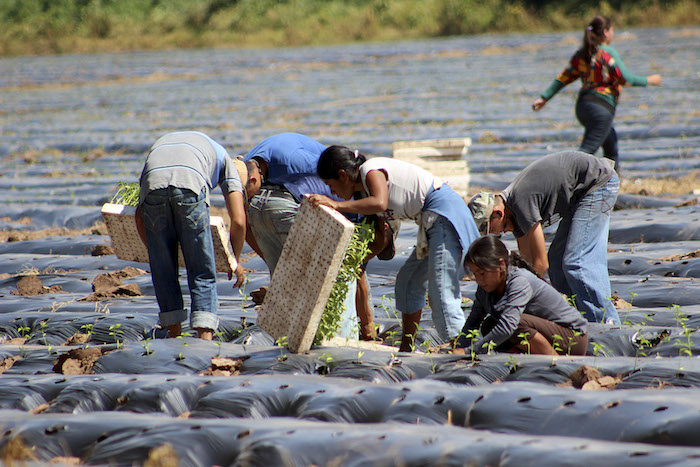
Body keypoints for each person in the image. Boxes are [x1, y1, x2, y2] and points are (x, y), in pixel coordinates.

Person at [309, 146, 480, 352]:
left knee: (441, 292)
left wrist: (335, 205)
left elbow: (380, 203)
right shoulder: (363, 193)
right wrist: (350, 262)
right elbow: (380, 242)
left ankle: (461, 351)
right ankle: (406, 348)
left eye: (330, 185)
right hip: (430, 223)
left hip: (443, 215)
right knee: (408, 282)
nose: (332, 193)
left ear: (342, 175)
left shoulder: (370, 170)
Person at [243, 133, 389, 340]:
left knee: (287, 289)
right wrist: (368, 327)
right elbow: (356, 275)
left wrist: (278, 262)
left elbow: (245, 224)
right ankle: (340, 341)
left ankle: (286, 345)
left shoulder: (254, 164)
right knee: (335, 278)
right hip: (286, 206)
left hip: (261, 209)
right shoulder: (352, 202)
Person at [467, 150, 620, 324]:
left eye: (492, 228)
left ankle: (606, 326)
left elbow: (540, 264)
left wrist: (522, 300)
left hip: (597, 183)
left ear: (498, 213)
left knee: (576, 263)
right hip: (578, 195)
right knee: (557, 263)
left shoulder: (520, 202)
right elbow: (528, 265)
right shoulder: (512, 216)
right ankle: (580, 320)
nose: (497, 234)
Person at [135, 131, 262, 340]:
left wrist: (156, 251)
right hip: (189, 185)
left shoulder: (183, 144)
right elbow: (239, 220)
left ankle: (174, 336)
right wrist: (234, 260)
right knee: (201, 271)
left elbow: (140, 215)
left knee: (163, 272)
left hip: (153, 184)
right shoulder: (227, 164)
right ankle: (205, 342)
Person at [532, 15, 662, 172]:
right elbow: (625, 78)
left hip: (583, 107)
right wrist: (650, 80)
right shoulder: (607, 53)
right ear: (606, 32)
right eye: (612, 30)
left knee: (611, 148)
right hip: (601, 108)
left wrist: (544, 97)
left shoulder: (582, 54)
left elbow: (564, 77)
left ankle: (614, 186)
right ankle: (560, 182)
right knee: (585, 153)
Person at [454, 235, 589, 356]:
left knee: (514, 323)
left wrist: (470, 352)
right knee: (489, 325)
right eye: (475, 274)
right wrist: (459, 348)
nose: (478, 280)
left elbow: (508, 326)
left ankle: (553, 363)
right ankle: (523, 360)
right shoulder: (485, 289)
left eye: (482, 273)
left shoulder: (519, 281)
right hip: (547, 332)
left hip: (572, 336)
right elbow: (473, 321)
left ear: (501, 264)